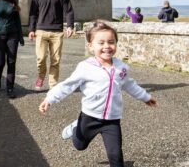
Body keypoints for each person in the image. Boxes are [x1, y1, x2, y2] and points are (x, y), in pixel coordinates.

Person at [38, 21, 156, 167]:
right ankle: (76, 127)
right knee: (79, 145)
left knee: (116, 155)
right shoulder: (85, 67)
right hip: (89, 117)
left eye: (111, 42)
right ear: (91, 46)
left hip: (112, 120)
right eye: (101, 43)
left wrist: (145, 97)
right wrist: (49, 99)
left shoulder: (122, 68)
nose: (107, 46)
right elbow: (67, 85)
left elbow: (129, 84)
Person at [28, 0, 74, 90]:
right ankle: (41, 76)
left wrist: (70, 26)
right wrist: (31, 29)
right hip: (41, 31)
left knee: (55, 60)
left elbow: (68, 11)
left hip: (57, 32)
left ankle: (53, 85)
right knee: (41, 58)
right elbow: (32, 14)